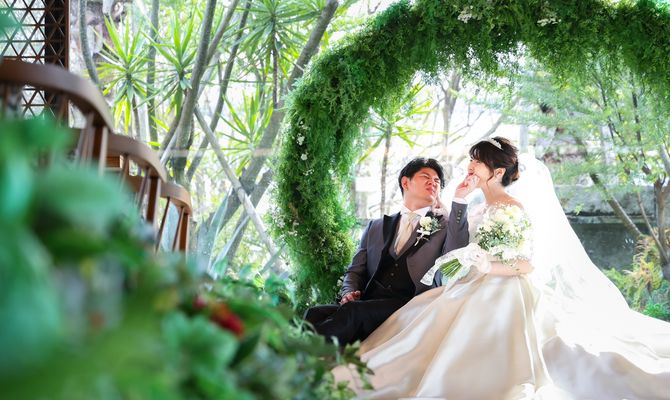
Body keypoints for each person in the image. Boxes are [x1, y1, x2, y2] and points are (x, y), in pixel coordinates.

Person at [333, 137, 670, 399]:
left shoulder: (512, 208)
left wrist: (486, 265)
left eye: (477, 161)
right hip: (469, 283)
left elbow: (526, 264)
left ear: (496, 172)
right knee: (414, 327)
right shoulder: (476, 207)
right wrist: (460, 205)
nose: (470, 166)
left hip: (503, 287)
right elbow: (457, 246)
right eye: (471, 159)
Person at [304, 157, 478, 345]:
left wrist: (460, 199)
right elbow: (355, 270)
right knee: (314, 313)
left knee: (353, 312)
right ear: (405, 182)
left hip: (408, 304)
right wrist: (349, 292)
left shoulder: (444, 225)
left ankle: (300, 356)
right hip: (369, 301)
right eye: (425, 177)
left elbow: (456, 253)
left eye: (437, 181)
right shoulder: (375, 226)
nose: (433, 183)